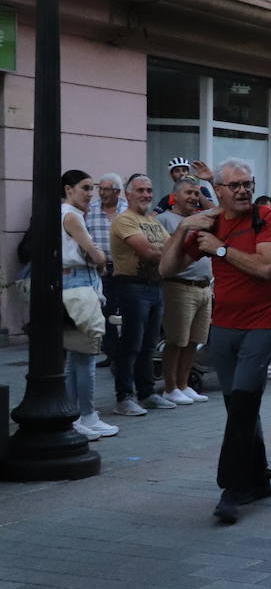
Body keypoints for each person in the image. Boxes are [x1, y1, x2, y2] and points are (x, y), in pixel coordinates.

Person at [160, 158, 271, 523]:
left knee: (245, 399)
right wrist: (182, 226)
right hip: (225, 326)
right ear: (219, 190)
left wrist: (219, 249)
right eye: (236, 186)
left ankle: (231, 488)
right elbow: (167, 268)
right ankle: (260, 478)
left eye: (248, 183)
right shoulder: (210, 222)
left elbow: (266, 269)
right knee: (238, 406)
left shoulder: (266, 218)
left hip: (261, 325)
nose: (244, 190)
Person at [60, 170, 119, 440]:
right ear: (69, 189)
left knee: (76, 357)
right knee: (85, 357)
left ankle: (74, 416)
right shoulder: (71, 215)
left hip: (73, 285)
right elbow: (95, 255)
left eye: (91, 188)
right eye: (85, 188)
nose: (90, 194)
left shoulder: (62, 214)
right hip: (79, 287)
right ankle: (87, 415)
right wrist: (100, 256)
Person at [110, 174, 175, 416]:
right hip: (132, 286)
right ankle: (124, 397)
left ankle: (146, 394)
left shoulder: (151, 221)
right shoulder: (123, 220)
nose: (146, 194)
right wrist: (166, 251)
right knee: (131, 343)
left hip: (155, 285)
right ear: (127, 194)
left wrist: (168, 251)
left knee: (149, 345)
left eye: (149, 190)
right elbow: (149, 252)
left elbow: (171, 250)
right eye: (140, 190)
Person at [155, 178, 214, 405]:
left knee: (194, 341)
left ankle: (183, 384)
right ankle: (170, 388)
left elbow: (218, 213)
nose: (193, 197)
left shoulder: (199, 219)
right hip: (179, 286)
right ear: (175, 196)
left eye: (196, 193)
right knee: (176, 340)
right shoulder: (164, 219)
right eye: (189, 192)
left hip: (203, 287)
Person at [86, 173, 126, 368]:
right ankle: (112, 353)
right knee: (106, 311)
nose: (101, 193)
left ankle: (126, 352)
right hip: (101, 269)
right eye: (99, 189)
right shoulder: (91, 210)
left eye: (106, 189)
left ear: (117, 191)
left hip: (125, 268)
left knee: (126, 311)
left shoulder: (127, 209)